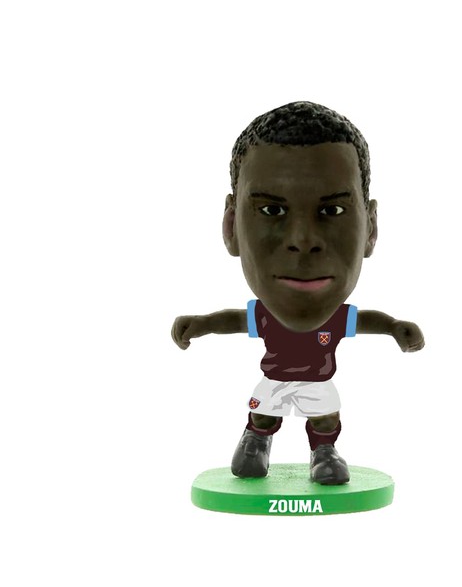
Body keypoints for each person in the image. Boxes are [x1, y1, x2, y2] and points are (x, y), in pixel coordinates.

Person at [171, 101, 424, 485]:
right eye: (271, 211)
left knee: (325, 417)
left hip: (316, 382)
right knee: (263, 411)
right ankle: (256, 441)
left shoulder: (336, 319)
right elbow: (236, 320)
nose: (303, 242)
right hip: (274, 379)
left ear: (370, 228)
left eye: (333, 211)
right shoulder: (266, 316)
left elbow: (364, 321)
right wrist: (203, 324)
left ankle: (324, 452)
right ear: (231, 225)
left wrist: (392, 327)